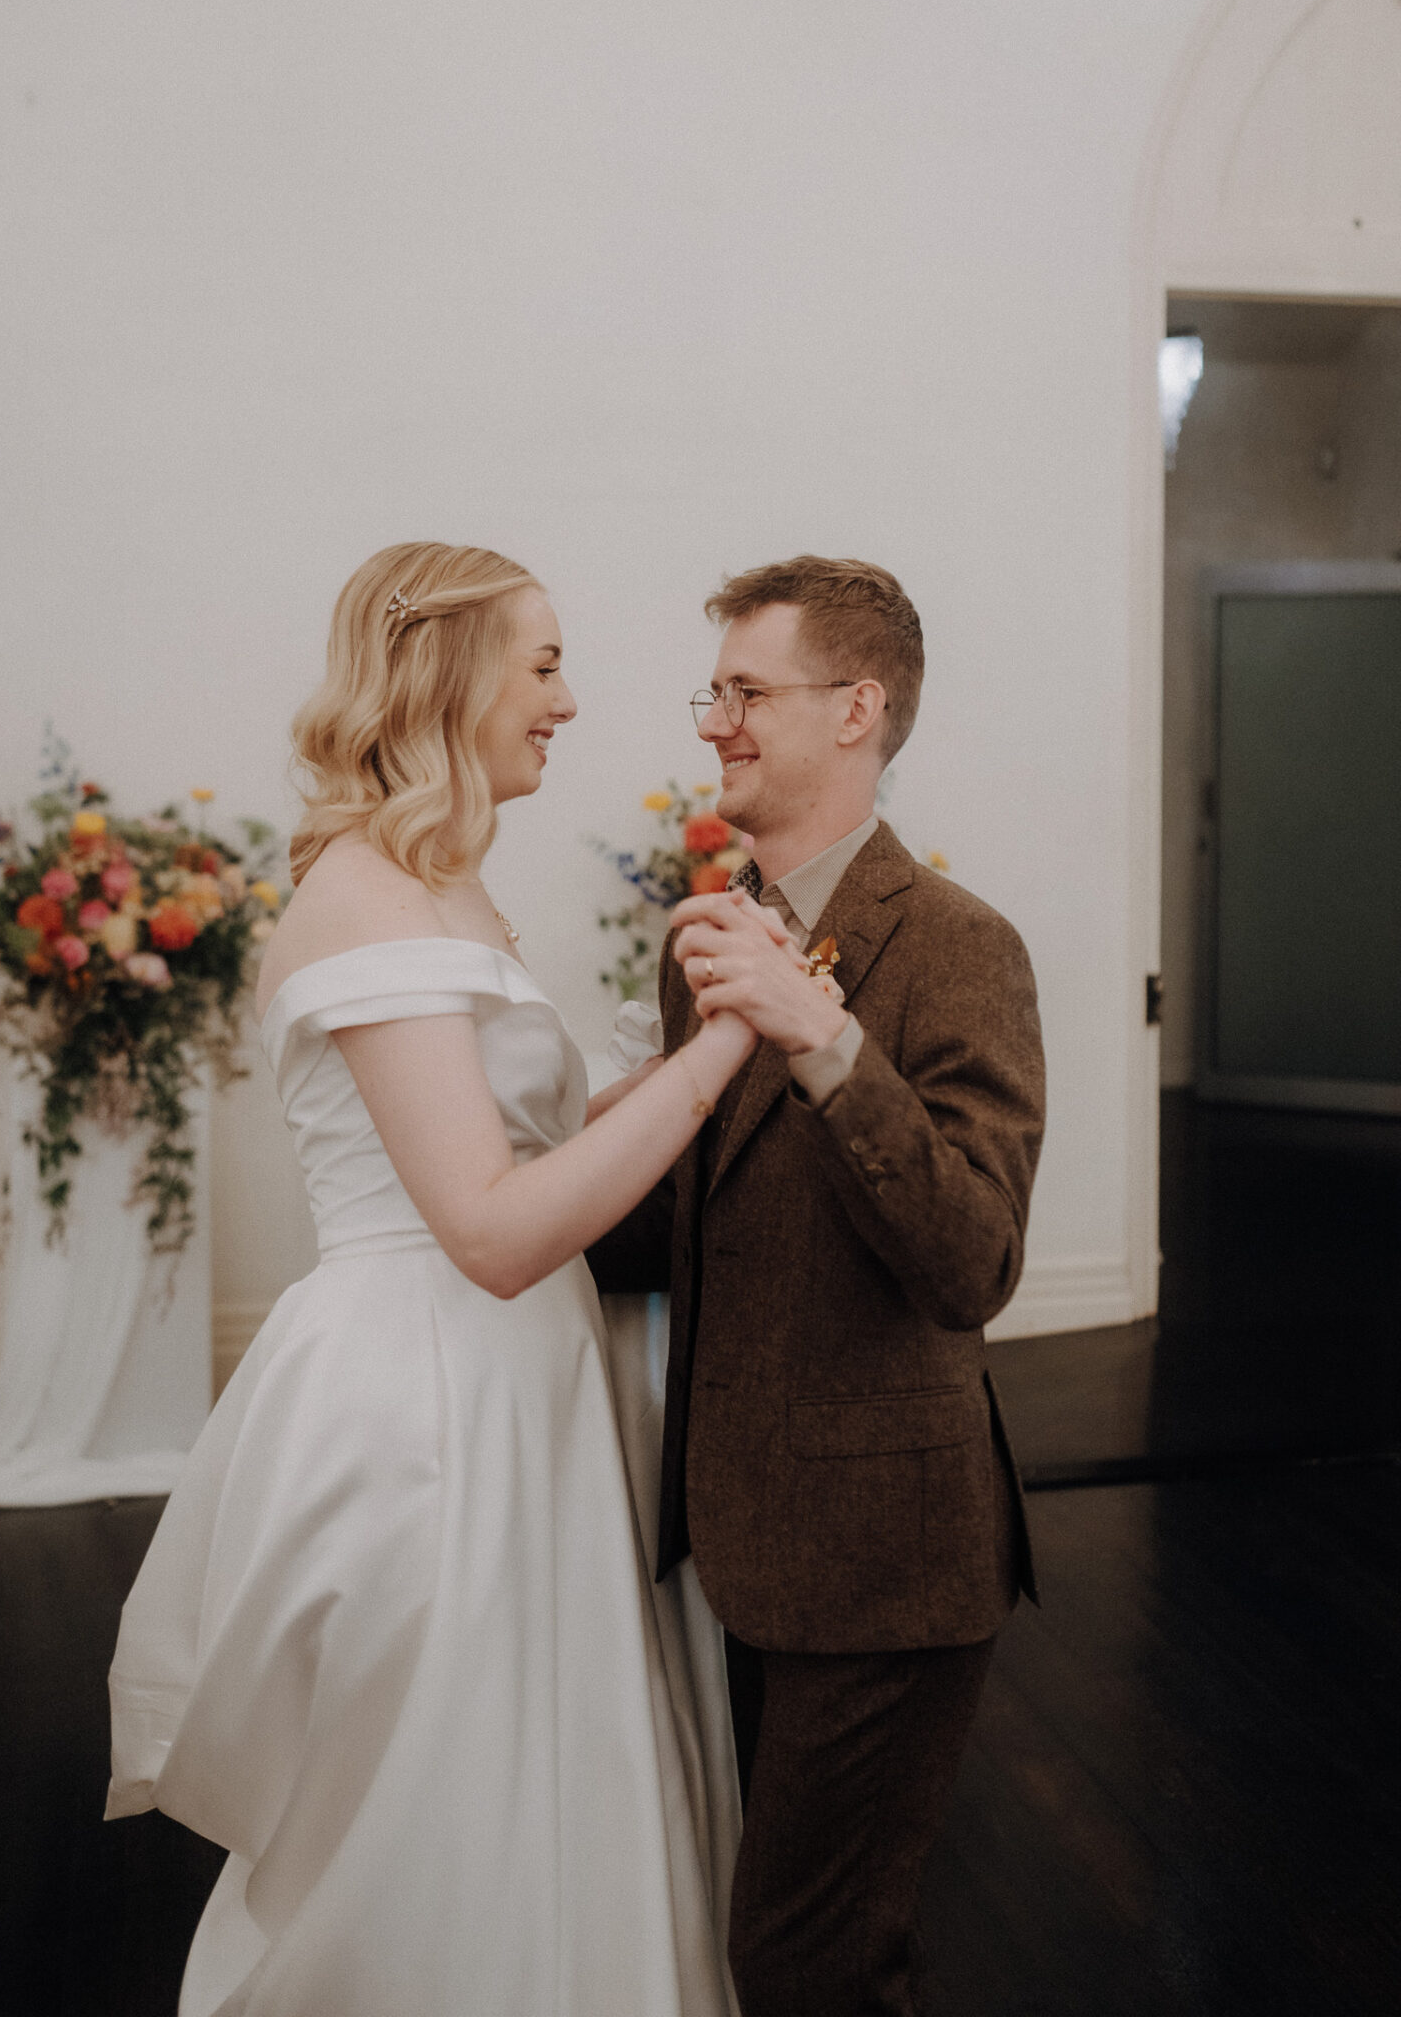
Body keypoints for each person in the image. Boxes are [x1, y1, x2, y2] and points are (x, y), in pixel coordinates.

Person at [105, 541, 773, 2017]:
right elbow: (489, 1229)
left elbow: (528, 1138)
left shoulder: (441, 890)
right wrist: (725, 1055)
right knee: (443, 1796)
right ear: (450, 675)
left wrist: (685, 1052)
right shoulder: (367, 903)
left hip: (522, 1384)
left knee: (542, 1768)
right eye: (543, 664)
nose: (570, 702)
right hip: (431, 1401)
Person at [588, 555, 1048, 2017]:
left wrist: (826, 1043)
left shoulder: (964, 950)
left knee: (811, 1959)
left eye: (748, 692)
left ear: (858, 709)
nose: (715, 722)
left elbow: (972, 1258)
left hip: (886, 1553)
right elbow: (693, 1236)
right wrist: (501, 1174)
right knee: (784, 1942)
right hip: (740, 1537)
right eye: (712, 692)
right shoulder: (716, 935)